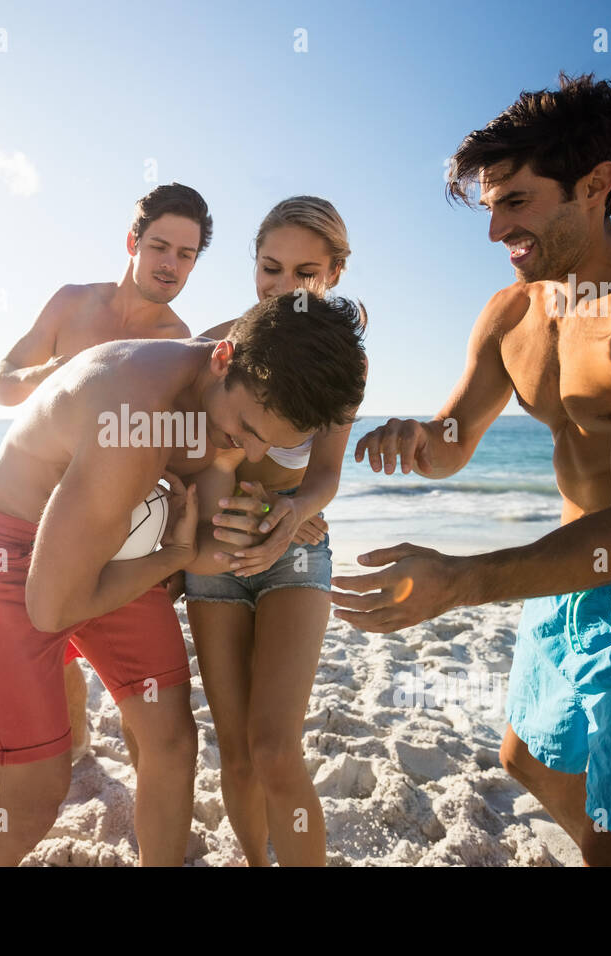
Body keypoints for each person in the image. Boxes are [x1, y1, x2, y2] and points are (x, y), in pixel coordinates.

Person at [333, 73, 611, 866]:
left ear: (596, 185)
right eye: (492, 205)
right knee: (527, 759)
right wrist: (417, 435)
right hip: (573, 575)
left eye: (517, 201)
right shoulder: (512, 312)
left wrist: (461, 581)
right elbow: (453, 440)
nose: (497, 228)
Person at [0, 291, 365, 865]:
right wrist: (169, 557)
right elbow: (53, 607)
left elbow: (202, 550)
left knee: (173, 745)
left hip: (118, 542)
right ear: (223, 358)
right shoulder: (134, 417)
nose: (248, 448)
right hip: (24, 558)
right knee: (32, 797)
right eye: (247, 428)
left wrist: (248, 521)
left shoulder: (216, 401)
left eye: (266, 443)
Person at [0, 182, 212, 765]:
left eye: (186, 255)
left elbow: (164, 451)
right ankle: (80, 746)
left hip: (109, 526)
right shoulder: (72, 302)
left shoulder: (176, 342)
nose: (171, 264)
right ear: (132, 241)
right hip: (27, 509)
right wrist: (53, 373)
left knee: (143, 701)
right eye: (160, 246)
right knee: (57, 663)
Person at [185, 197, 360, 866]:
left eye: (306, 273)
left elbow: (324, 474)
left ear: (335, 275)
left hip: (296, 549)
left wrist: (290, 512)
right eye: (271, 267)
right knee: (233, 747)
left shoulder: (343, 360)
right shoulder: (215, 346)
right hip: (213, 554)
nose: (284, 288)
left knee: (274, 747)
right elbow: (183, 454)